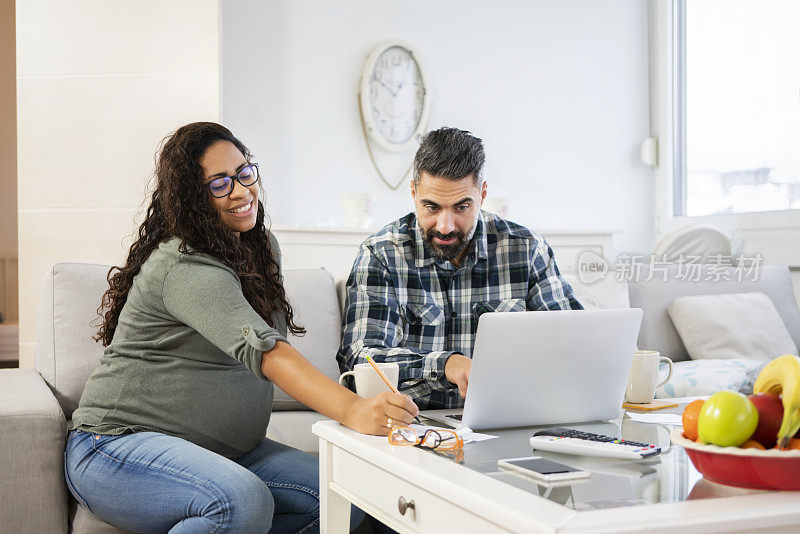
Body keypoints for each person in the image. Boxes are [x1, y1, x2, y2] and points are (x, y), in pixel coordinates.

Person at [65, 122, 419, 533]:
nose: (239, 190)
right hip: (113, 448)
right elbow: (267, 351)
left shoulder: (260, 248)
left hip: (221, 453)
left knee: (346, 495)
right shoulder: (184, 264)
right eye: (218, 184)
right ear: (191, 198)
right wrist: (354, 408)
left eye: (243, 173)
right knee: (241, 501)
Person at [338, 127, 583, 410]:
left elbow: (573, 342)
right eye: (431, 207)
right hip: (416, 424)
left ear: (483, 194)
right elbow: (361, 359)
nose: (445, 226)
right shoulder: (382, 254)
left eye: (461, 207)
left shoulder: (526, 249)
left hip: (509, 416)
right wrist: (445, 364)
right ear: (414, 192)